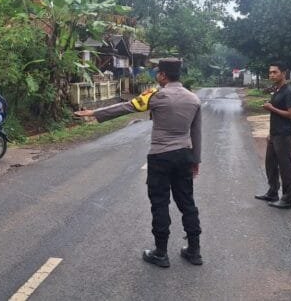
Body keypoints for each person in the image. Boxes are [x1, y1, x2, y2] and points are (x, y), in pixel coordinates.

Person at [74, 58, 203, 268]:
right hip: (184, 155)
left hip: (160, 156)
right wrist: (195, 160)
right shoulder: (193, 99)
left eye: (157, 73)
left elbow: (126, 107)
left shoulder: (156, 95)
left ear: (162, 75)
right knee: (187, 202)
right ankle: (195, 251)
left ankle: (161, 253)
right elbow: (196, 132)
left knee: (160, 202)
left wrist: (94, 113)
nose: (156, 76)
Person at [255, 61, 291, 210]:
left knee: (286, 168)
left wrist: (271, 107)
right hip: (275, 135)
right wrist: (270, 133)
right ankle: (273, 192)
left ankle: (287, 200)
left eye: (275, 72)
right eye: (270, 72)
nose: (272, 75)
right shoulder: (277, 90)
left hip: (285, 136)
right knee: (270, 165)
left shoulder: (289, 91)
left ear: (283, 73)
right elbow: (277, 116)